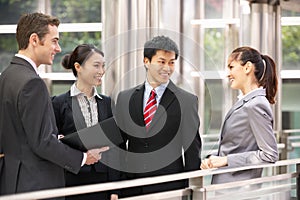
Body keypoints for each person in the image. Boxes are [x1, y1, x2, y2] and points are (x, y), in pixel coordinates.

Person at [0, 13, 108, 198]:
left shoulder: (7, 76)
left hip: (12, 182)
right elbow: (43, 143)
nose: (58, 48)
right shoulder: (32, 83)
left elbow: (20, 132)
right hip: (35, 185)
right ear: (34, 39)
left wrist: (52, 136)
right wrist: (83, 158)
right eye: (54, 41)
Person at [115, 35, 202, 197]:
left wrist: (191, 191)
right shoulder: (125, 98)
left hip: (170, 188)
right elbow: (119, 146)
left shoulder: (186, 101)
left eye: (171, 62)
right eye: (161, 62)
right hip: (132, 187)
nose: (167, 68)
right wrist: (116, 187)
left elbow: (192, 150)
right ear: (146, 62)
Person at [201, 46, 279, 185]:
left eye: (231, 67)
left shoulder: (255, 104)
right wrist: (213, 159)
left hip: (239, 190)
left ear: (247, 67)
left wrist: (226, 160)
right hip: (230, 188)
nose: (228, 74)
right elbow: (237, 145)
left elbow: (269, 155)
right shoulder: (247, 102)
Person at [52, 44, 119, 200]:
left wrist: (115, 189)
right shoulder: (58, 103)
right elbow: (53, 145)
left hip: (103, 183)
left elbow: (116, 147)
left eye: (103, 66)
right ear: (78, 67)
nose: (101, 71)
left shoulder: (107, 103)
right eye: (96, 65)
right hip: (72, 182)